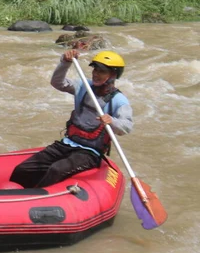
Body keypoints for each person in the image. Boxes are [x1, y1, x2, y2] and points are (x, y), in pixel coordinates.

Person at [9, 50, 133, 188]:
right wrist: (65, 63)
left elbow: (126, 126)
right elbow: (58, 83)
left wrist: (112, 121)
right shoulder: (83, 86)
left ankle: (35, 196)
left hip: (89, 152)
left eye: (102, 72)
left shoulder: (118, 100)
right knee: (23, 169)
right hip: (67, 143)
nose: (96, 74)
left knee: (56, 170)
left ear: (113, 75)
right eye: (95, 70)